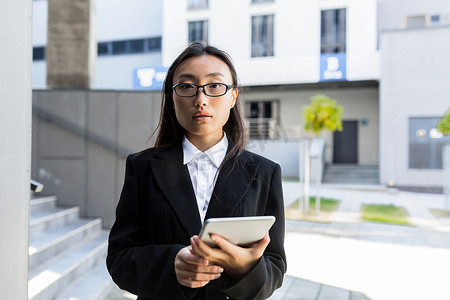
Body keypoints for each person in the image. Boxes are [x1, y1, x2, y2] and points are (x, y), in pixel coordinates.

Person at [106, 42, 286, 300]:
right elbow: (119, 259)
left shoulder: (265, 173)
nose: (201, 100)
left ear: (233, 96)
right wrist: (172, 264)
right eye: (187, 87)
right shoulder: (143, 168)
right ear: (172, 97)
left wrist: (246, 268)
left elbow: (276, 268)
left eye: (215, 86)